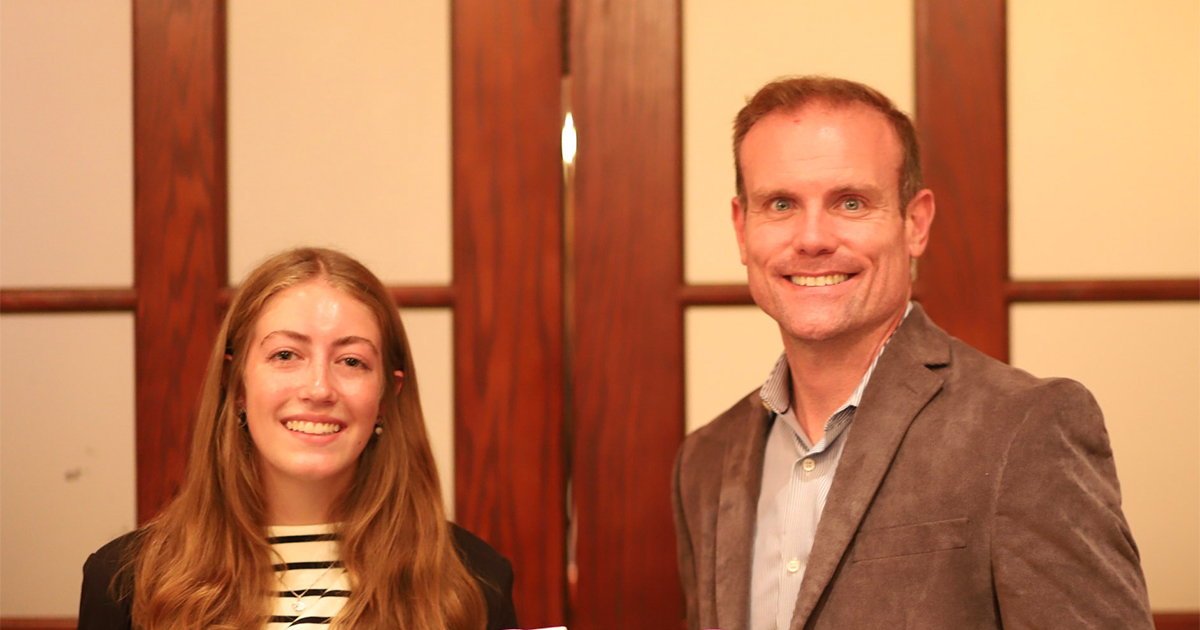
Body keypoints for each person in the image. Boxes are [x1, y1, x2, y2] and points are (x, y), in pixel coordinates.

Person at [672, 76, 1153, 630]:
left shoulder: (1023, 428)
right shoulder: (704, 463)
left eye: (850, 202)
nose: (811, 239)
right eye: (780, 204)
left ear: (915, 224)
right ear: (742, 228)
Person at [78, 247, 518, 630]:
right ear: (236, 384)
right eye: (286, 355)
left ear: (387, 396)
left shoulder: (473, 580)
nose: (319, 389)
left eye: (351, 361)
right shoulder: (125, 581)